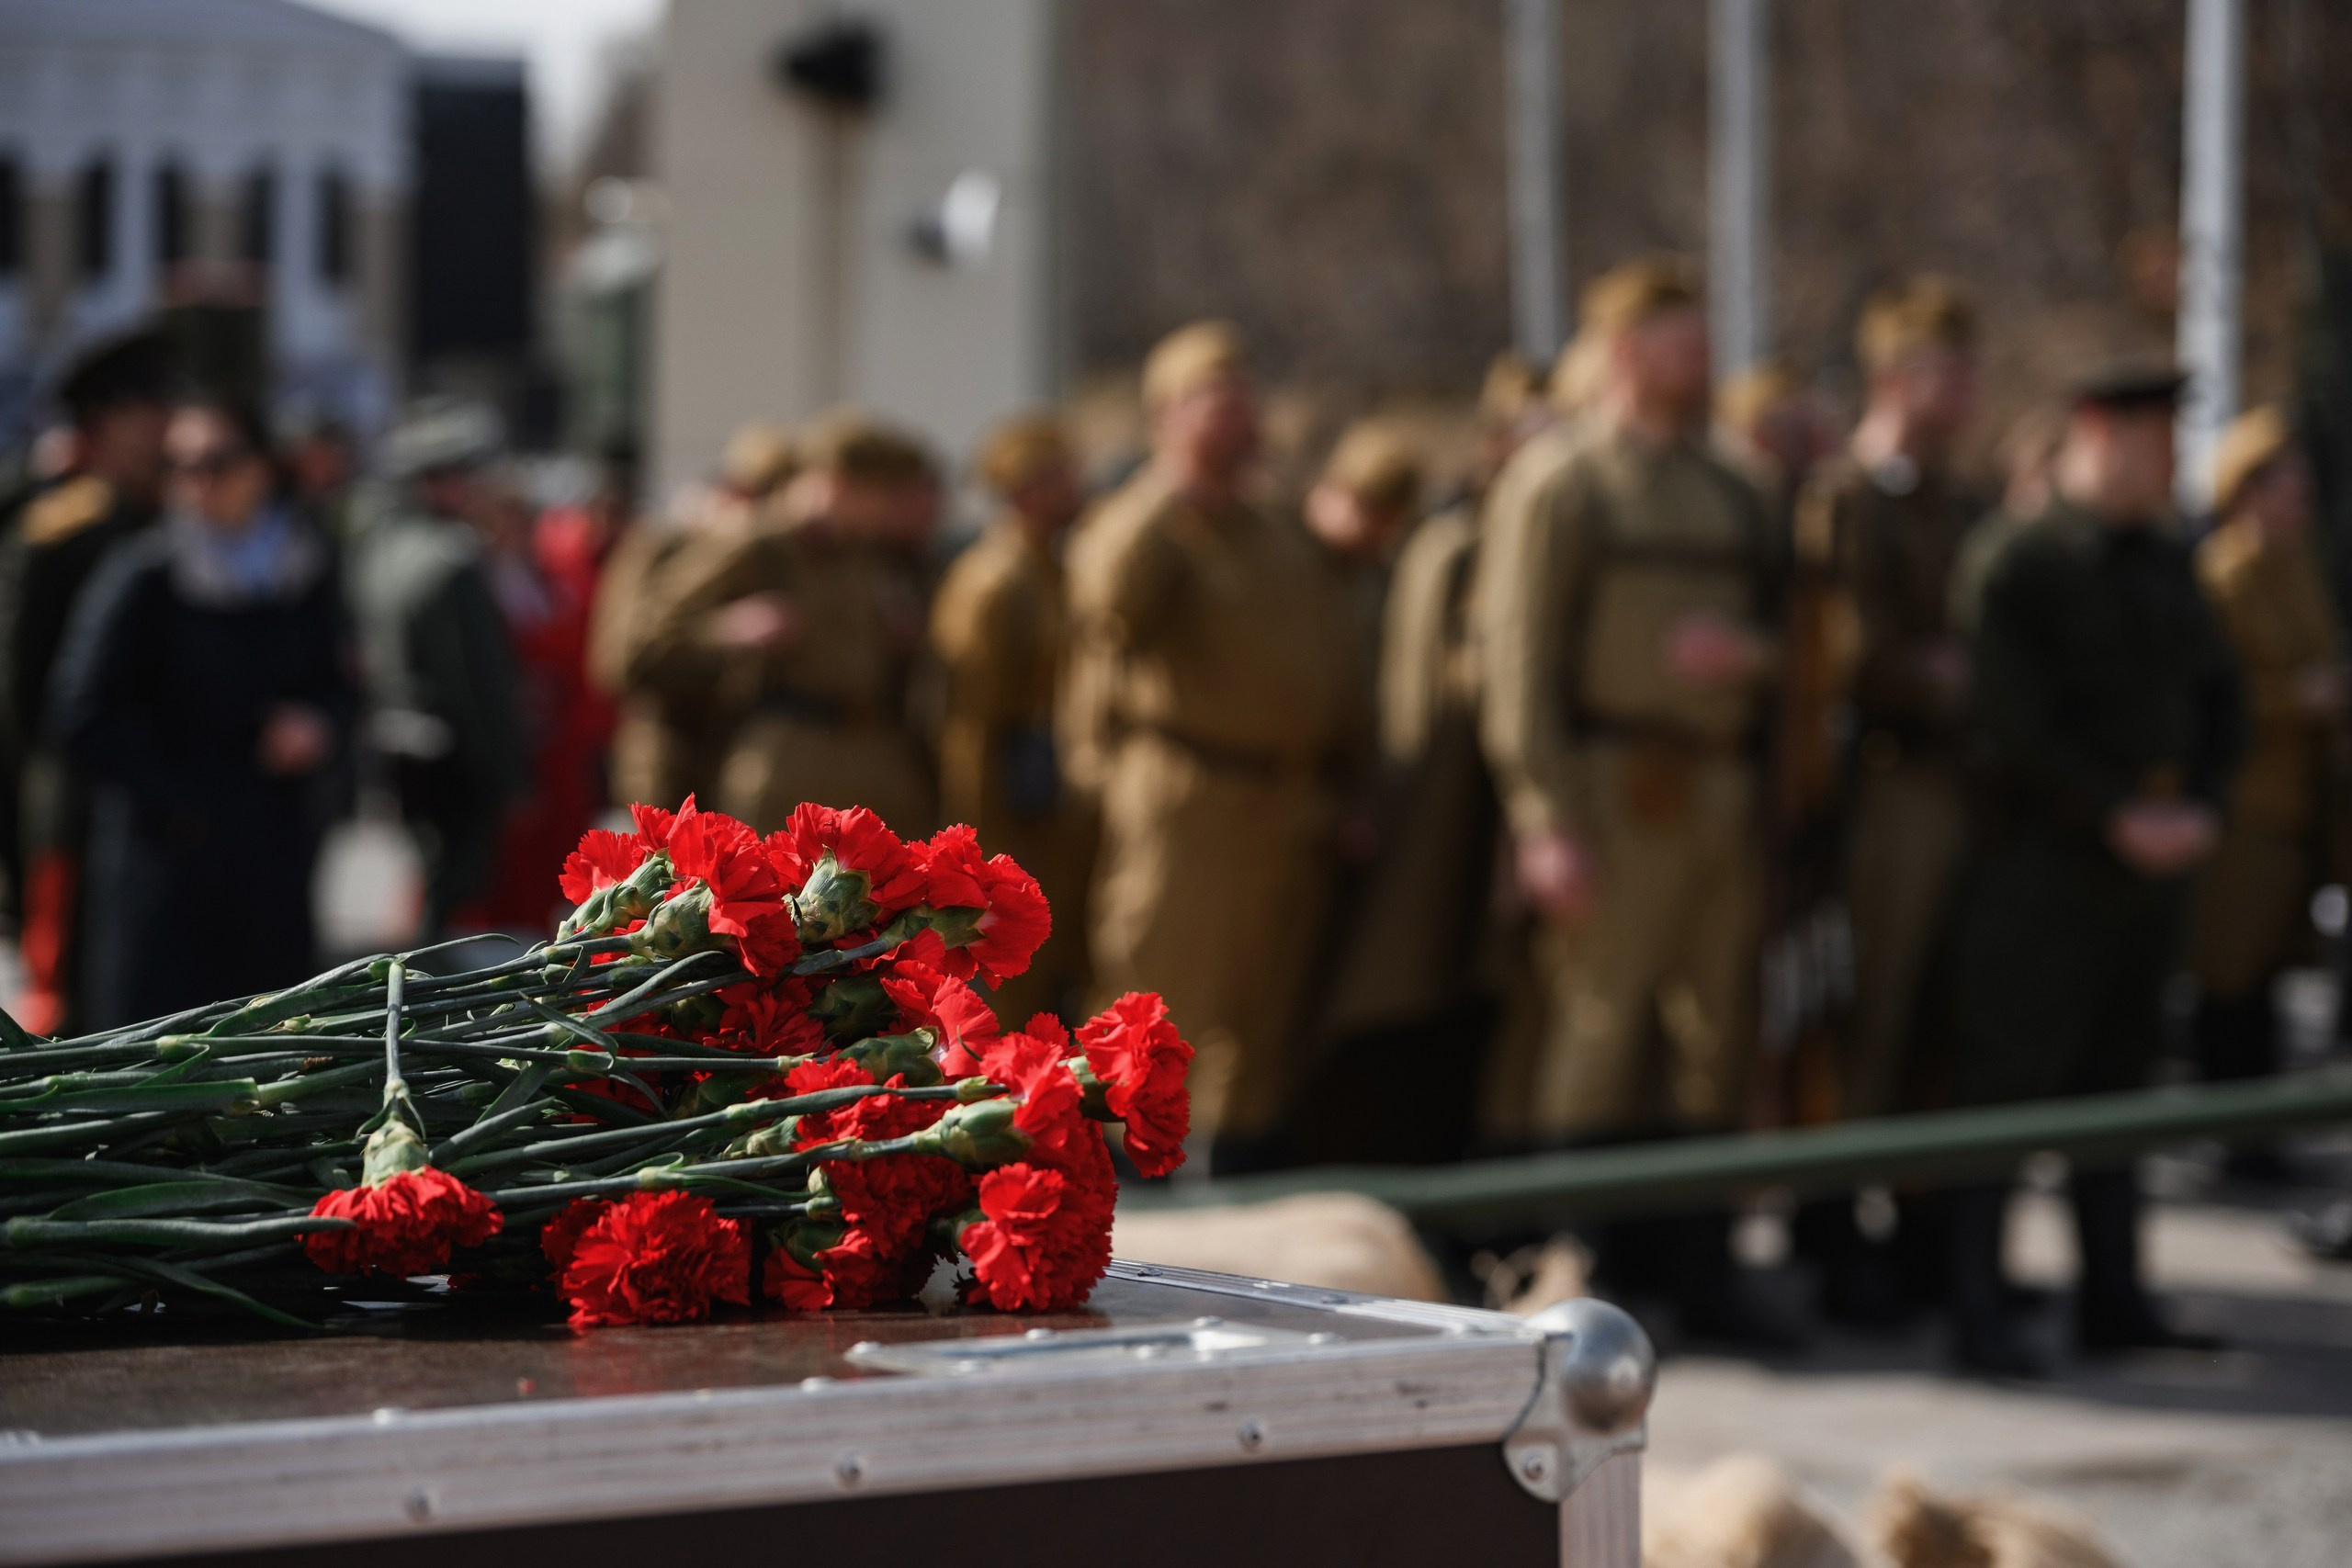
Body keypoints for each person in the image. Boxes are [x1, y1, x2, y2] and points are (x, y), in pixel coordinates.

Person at [1473, 257, 1789, 1341]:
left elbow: (1799, 638)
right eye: (1670, 333)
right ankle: (1583, 1267)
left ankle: (1701, 1267)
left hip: (1719, 784)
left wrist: (1743, 656)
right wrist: (1542, 816)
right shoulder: (1563, 483)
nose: (1696, 353)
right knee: (1601, 1025)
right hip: (1609, 784)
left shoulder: (1732, 489)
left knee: (1715, 1029)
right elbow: (1516, 660)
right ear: (1617, 350)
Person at [1949, 362, 2244, 1376]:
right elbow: (2011, 719)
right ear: (2093, 433)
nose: (2166, 461)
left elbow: (2216, 691)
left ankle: (2112, 1298)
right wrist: (2114, 810)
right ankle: (1976, 1308)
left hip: (2147, 860)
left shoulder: (2164, 557)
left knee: (2118, 1089)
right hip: (2044, 863)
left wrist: (2200, 802)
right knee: (2006, 1091)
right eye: (2151, 439)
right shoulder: (2020, 559)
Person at [1063, 321, 1356, 1174]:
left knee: (1262, 1018)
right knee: (1161, 1002)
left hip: (1287, 803)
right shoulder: (1149, 520)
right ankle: (1116, 1182)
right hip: (1189, 798)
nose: (1235, 418)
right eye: (1209, 402)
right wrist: (1174, 484)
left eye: (1242, 399)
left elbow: (1328, 649)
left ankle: (1238, 1182)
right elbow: (1105, 601)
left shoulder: (1273, 529)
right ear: (1165, 416)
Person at [1782, 277, 1983, 1324]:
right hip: (1883, 785)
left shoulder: (1952, 496)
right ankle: (1835, 1240)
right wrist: (1936, 671)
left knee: (1935, 1031)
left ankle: (1924, 1242)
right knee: (1867, 1019)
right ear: (1898, 380)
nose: (1969, 391)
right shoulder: (1849, 496)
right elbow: (1849, 651)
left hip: (1950, 784)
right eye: (1949, 371)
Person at [50, 398, 354, 1028]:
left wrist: (318, 724)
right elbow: (79, 713)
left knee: (273, 1059)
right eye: (180, 466)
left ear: (263, 467)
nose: (198, 483)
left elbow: (341, 682)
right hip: (166, 868)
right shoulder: (145, 573)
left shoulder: (303, 565)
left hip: (270, 857)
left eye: (216, 462)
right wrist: (182, 799)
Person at [637, 412, 940, 835]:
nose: (890, 512)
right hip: (788, 759)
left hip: (873, 755)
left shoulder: (871, 555)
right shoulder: (758, 544)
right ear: (840, 483)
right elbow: (642, 642)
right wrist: (729, 630)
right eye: (882, 495)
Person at [0, 328, 176, 1032]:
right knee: (67, 1006)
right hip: (73, 804)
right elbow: (22, 696)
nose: (166, 425)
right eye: (150, 409)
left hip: (148, 808)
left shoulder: (161, 519)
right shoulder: (62, 531)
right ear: (105, 422)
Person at [2188, 407, 2348, 1112]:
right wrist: (2298, 698)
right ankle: (2231, 1126)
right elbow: (2211, 694)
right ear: (2247, 490)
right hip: (2245, 804)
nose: (2302, 498)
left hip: (2299, 802)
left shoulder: (2296, 568)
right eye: (2289, 484)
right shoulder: (2224, 577)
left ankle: (2259, 1128)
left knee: (2273, 972)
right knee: (2231, 974)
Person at [929, 413, 1095, 1025]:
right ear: (1026, 488)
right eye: (1061, 475)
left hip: (1050, 812)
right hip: (1015, 815)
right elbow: (968, 726)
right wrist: (984, 859)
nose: (1078, 486)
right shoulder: (992, 580)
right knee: (1007, 1000)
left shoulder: (1049, 566)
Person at [347, 398, 528, 942]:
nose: (472, 487)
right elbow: (478, 682)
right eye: (459, 475)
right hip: (454, 753)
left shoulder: (379, 550)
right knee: (451, 897)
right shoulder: (451, 558)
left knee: (426, 881)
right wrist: (510, 770)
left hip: (399, 742)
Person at [590, 422, 794, 812]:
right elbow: (620, 660)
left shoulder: (766, 555)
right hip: (667, 762)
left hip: (731, 758)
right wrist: (726, 632)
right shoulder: (663, 544)